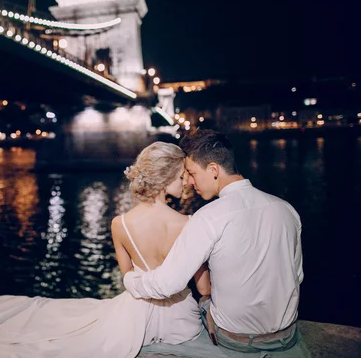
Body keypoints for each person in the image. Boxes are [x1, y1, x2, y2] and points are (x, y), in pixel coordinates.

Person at [0, 142, 209, 358]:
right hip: (180, 322)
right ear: (166, 176)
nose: (186, 181)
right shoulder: (189, 223)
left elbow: (128, 277)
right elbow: (204, 287)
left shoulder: (120, 224)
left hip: (137, 315)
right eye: (182, 175)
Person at [124, 129, 308, 356]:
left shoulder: (209, 217)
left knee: (200, 304)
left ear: (213, 170)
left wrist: (131, 280)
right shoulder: (287, 210)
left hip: (235, 340)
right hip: (286, 336)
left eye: (191, 173)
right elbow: (297, 275)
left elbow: (166, 284)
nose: (189, 182)